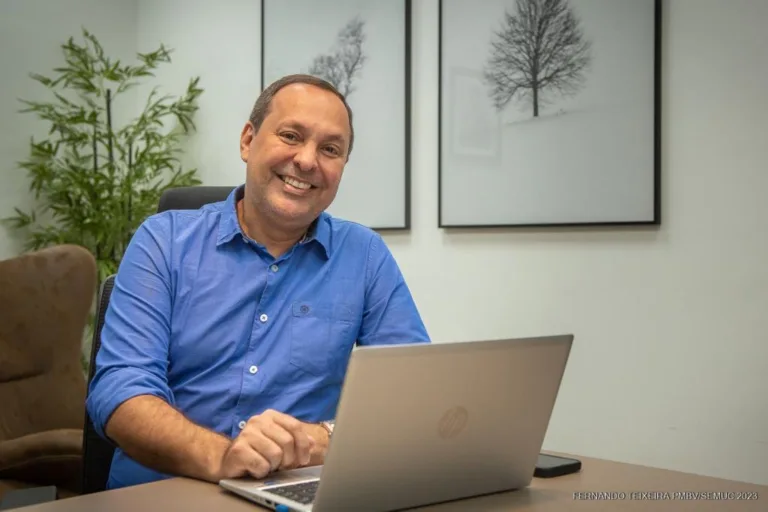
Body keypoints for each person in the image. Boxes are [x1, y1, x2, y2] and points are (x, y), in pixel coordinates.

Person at [86, 74, 430, 490]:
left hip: (292, 492)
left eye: (330, 149)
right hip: (163, 491)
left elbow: (412, 396)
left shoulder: (365, 256)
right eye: (291, 135)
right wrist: (224, 457)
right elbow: (120, 393)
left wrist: (317, 440)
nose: (307, 160)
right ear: (248, 141)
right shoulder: (164, 241)